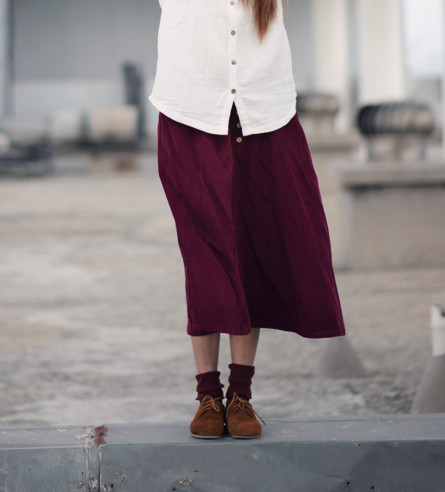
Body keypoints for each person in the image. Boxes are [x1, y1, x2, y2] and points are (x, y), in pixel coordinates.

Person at [149, 0, 347, 439]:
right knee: (205, 256)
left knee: (252, 252)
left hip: (264, 118)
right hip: (191, 117)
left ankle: (241, 393)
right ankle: (207, 395)